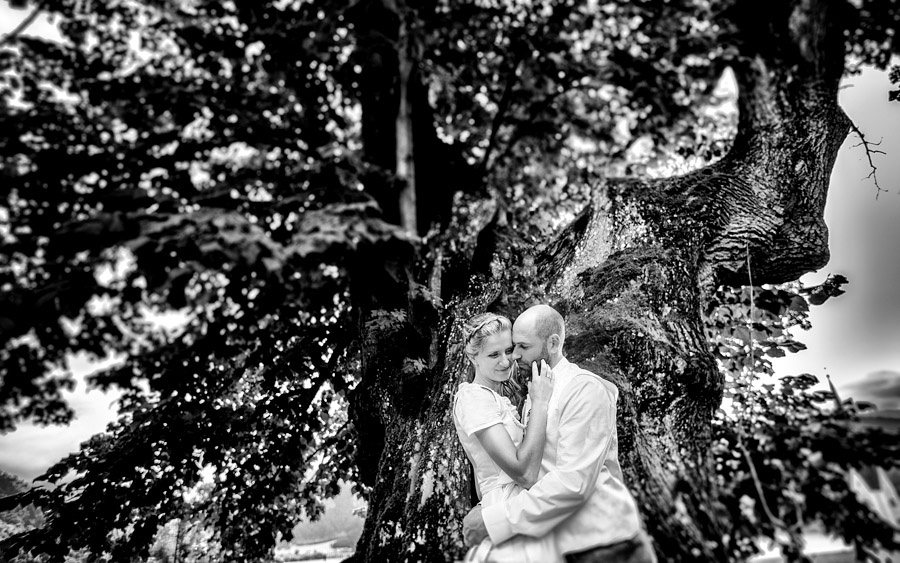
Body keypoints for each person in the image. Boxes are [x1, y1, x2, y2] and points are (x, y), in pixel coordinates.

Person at [462, 304, 657, 563]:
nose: (514, 357)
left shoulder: (584, 390)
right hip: (561, 543)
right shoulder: (540, 388)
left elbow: (571, 484)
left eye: (522, 347)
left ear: (553, 343)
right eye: (513, 347)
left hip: (604, 543)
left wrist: (494, 520)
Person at [453, 312, 563, 562]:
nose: (506, 361)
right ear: (473, 357)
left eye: (509, 350)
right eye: (494, 354)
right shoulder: (473, 398)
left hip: (521, 509)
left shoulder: (497, 397)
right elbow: (523, 472)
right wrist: (541, 401)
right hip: (503, 510)